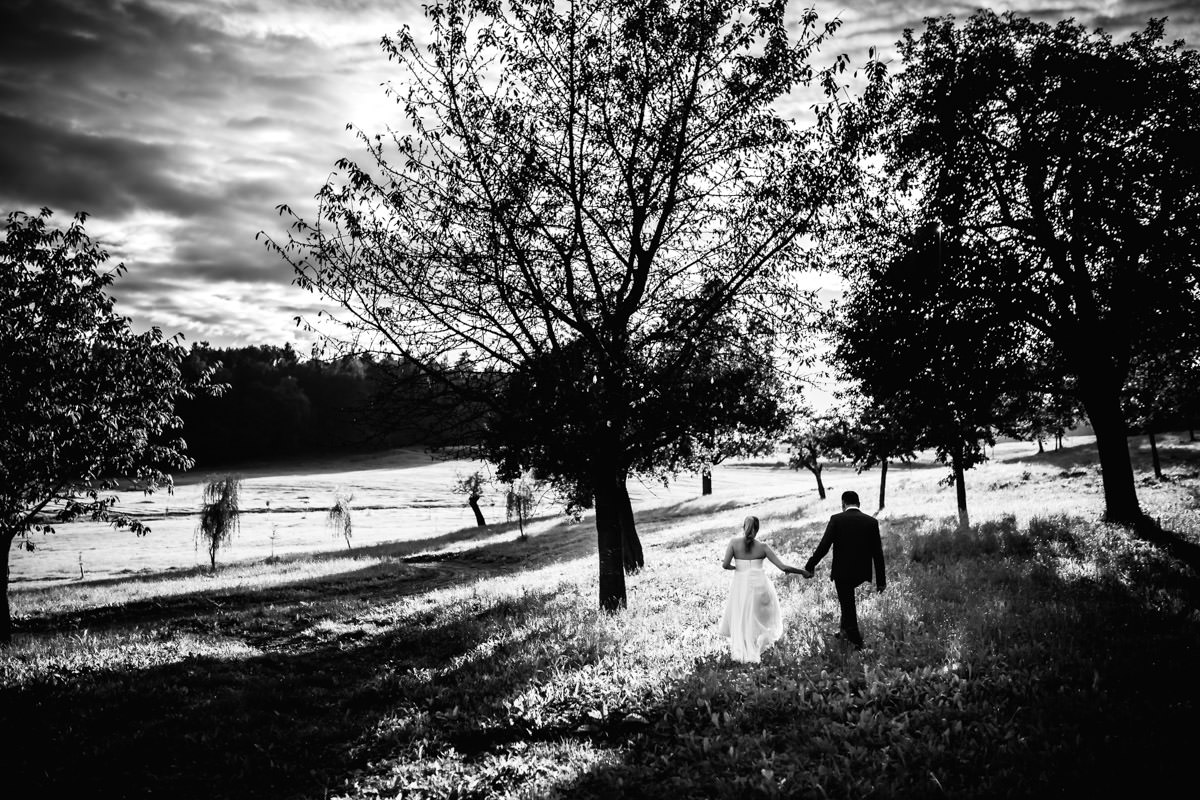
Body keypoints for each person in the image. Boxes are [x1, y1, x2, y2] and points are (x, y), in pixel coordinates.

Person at [719, 515, 810, 663]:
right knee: (759, 617)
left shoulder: (734, 543)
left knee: (743, 616)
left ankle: (745, 648)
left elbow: (725, 565)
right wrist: (803, 572)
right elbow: (783, 567)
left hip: (741, 585)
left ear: (743, 527)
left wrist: (737, 568)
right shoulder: (763, 547)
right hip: (759, 586)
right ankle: (757, 644)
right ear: (757, 529)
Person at [803, 490, 885, 650]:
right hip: (862, 572)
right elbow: (878, 553)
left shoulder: (836, 520)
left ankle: (856, 642)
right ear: (859, 504)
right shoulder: (871, 522)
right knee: (846, 601)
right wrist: (881, 582)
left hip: (842, 572)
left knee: (847, 604)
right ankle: (843, 631)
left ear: (843, 504)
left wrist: (810, 565)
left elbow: (824, 546)